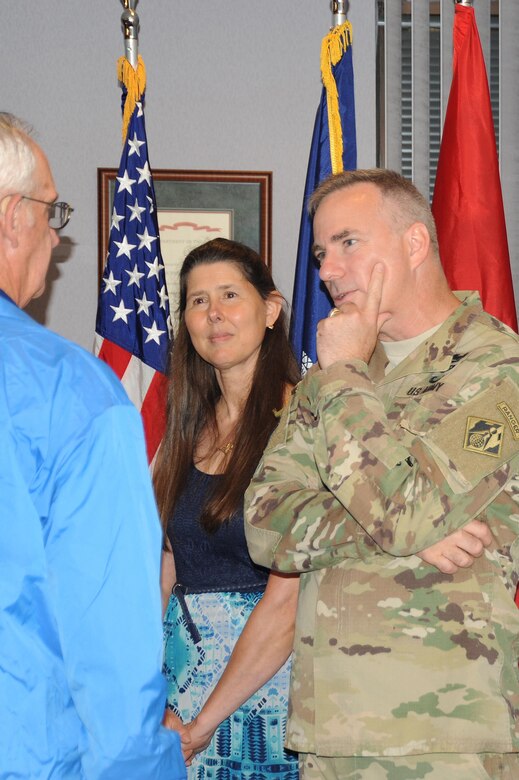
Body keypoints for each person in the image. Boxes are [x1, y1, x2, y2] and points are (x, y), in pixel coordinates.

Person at [244, 168, 519, 779]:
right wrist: (411, 529)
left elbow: (404, 512)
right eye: (321, 252)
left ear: (415, 244)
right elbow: (263, 526)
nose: (327, 271)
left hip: (445, 735)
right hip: (331, 728)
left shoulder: (498, 371)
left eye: (348, 243)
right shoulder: (329, 377)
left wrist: (343, 376)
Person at [0, 113, 186, 779]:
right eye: (53, 213)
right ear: (12, 217)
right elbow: (107, 642)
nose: (55, 238)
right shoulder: (68, 390)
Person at [153, 237, 301, 779]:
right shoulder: (185, 427)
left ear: (270, 309)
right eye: (197, 300)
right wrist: (152, 695)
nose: (213, 313)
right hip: (176, 696)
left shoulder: (305, 423)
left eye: (230, 295)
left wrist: (203, 723)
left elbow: (288, 602)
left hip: (266, 698)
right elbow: (165, 567)